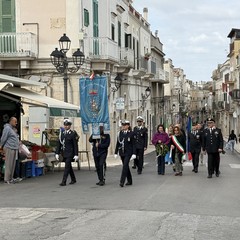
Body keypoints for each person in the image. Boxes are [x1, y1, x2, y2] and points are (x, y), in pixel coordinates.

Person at [55, 118, 79, 186]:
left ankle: (64, 181)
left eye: (67, 125)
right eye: (65, 125)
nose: (66, 126)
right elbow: (59, 144)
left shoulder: (72, 134)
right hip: (64, 153)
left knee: (66, 167)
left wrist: (76, 154)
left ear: (70, 126)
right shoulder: (62, 133)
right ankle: (73, 179)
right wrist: (57, 153)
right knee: (69, 167)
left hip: (70, 153)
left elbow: (75, 145)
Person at [114, 120, 136, 187]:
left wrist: (134, 153)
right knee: (125, 166)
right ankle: (130, 180)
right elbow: (118, 143)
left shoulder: (131, 133)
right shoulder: (119, 133)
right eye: (123, 125)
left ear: (128, 126)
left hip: (128, 152)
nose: (123, 126)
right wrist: (115, 152)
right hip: (122, 152)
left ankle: (122, 181)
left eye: (125, 125)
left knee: (125, 166)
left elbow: (133, 144)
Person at [0, 117, 19, 184]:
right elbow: (3, 137)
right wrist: (1, 145)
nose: (16, 123)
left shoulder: (12, 129)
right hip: (9, 148)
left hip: (14, 148)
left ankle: (11, 178)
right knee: (9, 164)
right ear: (11, 121)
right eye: (15, 122)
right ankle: (7, 179)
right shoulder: (7, 128)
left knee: (13, 164)